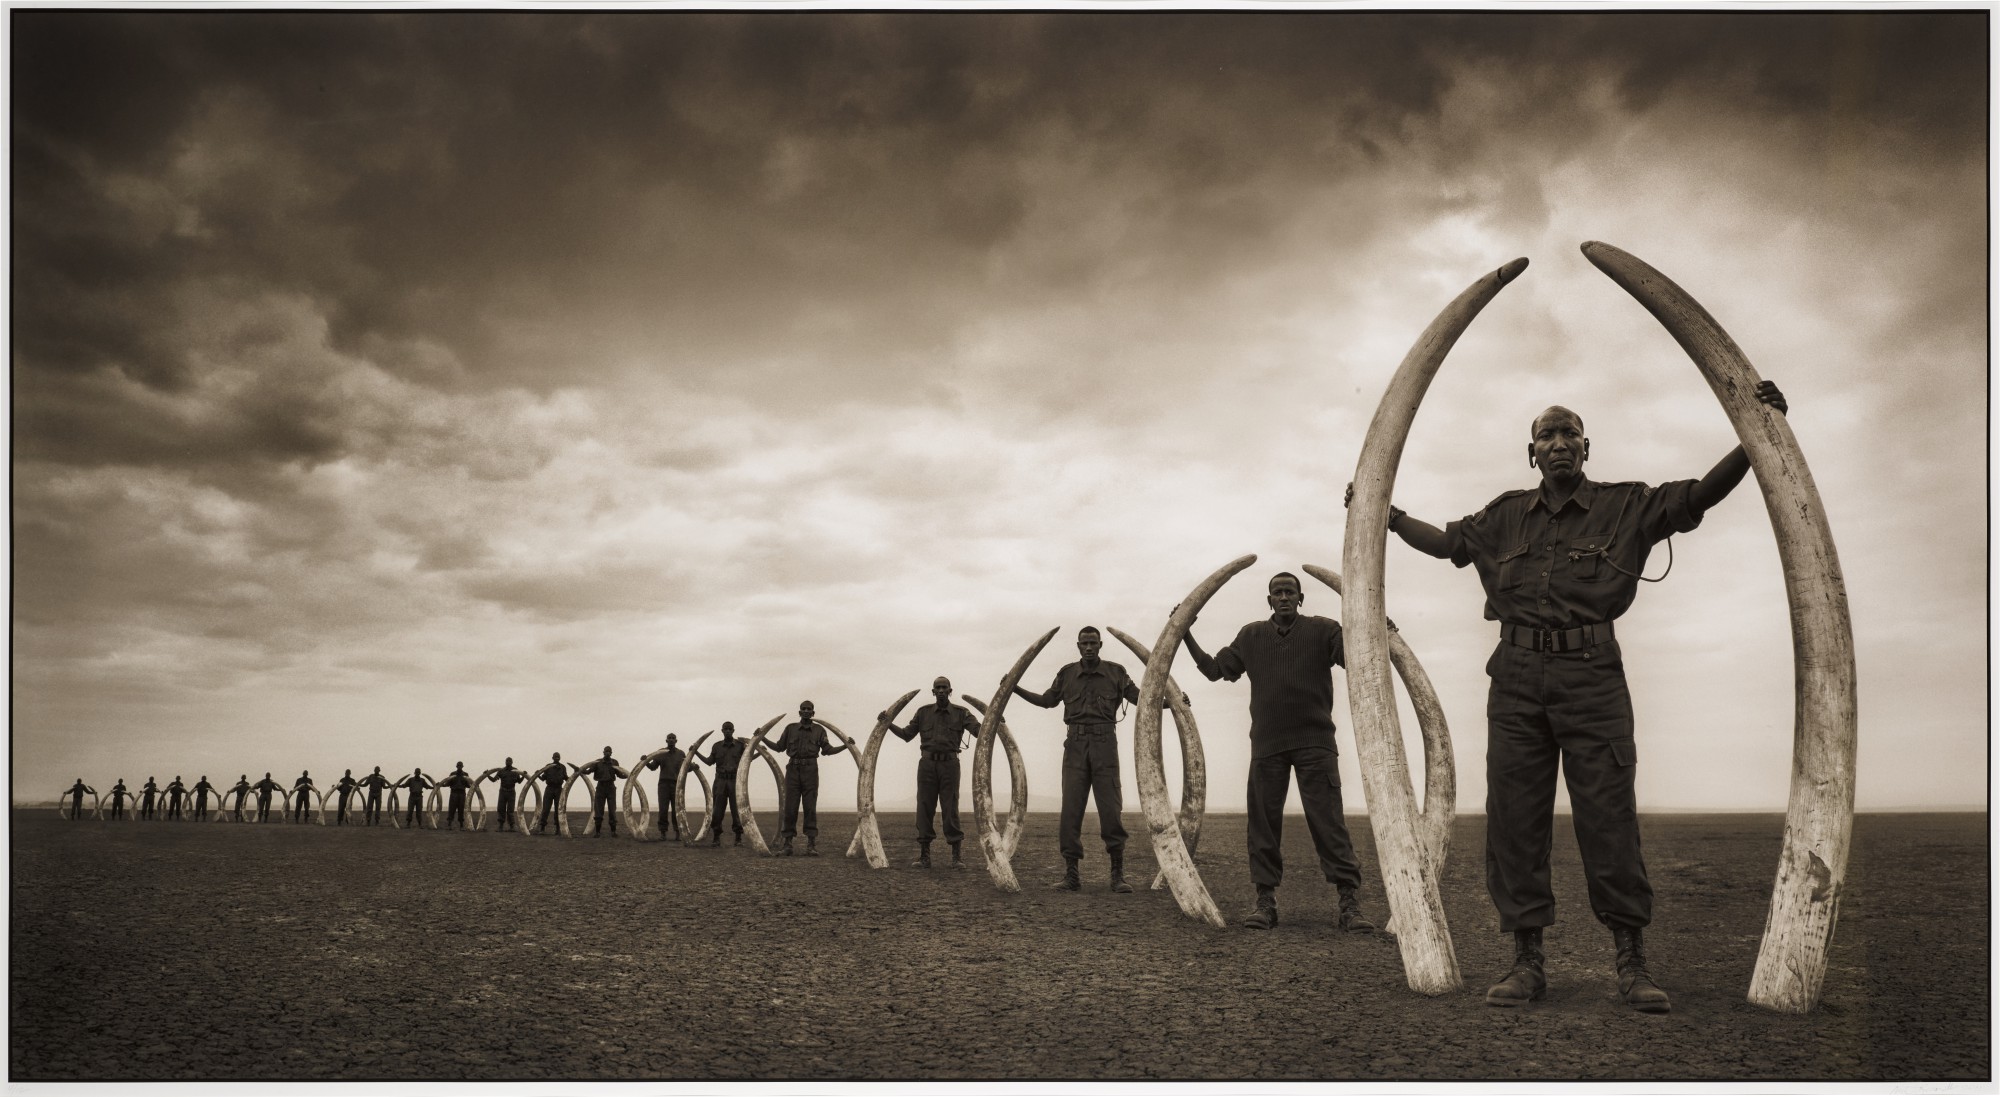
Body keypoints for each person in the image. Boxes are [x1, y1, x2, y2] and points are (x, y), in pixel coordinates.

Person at [1356, 381, 1788, 1013]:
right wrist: (1383, 513)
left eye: (1569, 434)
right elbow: (1448, 544)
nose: (1558, 444)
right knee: (1514, 820)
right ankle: (1526, 963)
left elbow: (1697, 496)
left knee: (1608, 815)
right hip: (1516, 680)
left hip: (1593, 678)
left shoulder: (1627, 507)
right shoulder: (1502, 517)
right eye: (1546, 435)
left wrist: (1755, 435)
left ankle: (1631, 962)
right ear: (1531, 452)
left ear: (1587, 447)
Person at [1182, 573, 1381, 934]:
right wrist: (1184, 633)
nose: (1284, 597)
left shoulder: (1324, 630)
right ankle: (1265, 903)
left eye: (1290, 592)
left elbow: (1357, 658)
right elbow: (1216, 670)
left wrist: (1377, 629)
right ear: (1269, 599)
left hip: (1315, 743)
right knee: (1262, 824)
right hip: (1267, 746)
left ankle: (1349, 904)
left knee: (1329, 822)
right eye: (1278, 592)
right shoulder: (1251, 635)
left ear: (1301, 598)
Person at [1011, 626, 1141, 893]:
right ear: (1078, 645)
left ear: (1101, 644)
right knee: (1071, 809)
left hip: (1105, 745)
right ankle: (1071, 875)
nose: (1089, 647)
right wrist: (1015, 688)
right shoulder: (1067, 673)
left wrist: (1173, 701)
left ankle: (1117, 875)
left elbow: (1142, 698)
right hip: (1075, 746)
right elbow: (1048, 700)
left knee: (1111, 809)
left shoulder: (1116, 672)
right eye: (1085, 643)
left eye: (1093, 643)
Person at [883, 677, 980, 869]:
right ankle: (924, 857)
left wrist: (995, 721)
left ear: (950, 690)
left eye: (944, 688)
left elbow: (980, 732)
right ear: (933, 691)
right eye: (938, 688)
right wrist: (887, 723)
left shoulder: (962, 713)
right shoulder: (923, 713)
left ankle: (956, 857)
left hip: (950, 766)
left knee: (950, 807)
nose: (941, 691)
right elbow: (906, 735)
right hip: (926, 766)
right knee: (924, 808)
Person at [769, 701, 842, 856]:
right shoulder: (790, 728)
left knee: (810, 807)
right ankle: (787, 845)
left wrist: (845, 746)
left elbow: (827, 750)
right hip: (793, 770)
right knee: (790, 807)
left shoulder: (819, 730)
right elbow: (779, 747)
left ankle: (811, 845)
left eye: (809, 709)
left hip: (810, 770)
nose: (806, 711)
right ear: (799, 712)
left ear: (813, 713)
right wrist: (761, 738)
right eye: (804, 709)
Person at [695, 723, 747, 846]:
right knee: (718, 810)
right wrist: (695, 752)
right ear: (722, 731)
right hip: (720, 782)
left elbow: (747, 759)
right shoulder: (717, 746)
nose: (728, 731)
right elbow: (709, 762)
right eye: (726, 729)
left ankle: (738, 838)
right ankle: (716, 837)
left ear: (733, 730)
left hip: (735, 782)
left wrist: (760, 752)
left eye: (730, 729)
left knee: (737, 810)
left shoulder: (740, 746)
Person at [642, 736, 687, 840]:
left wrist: (693, 767)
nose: (671, 740)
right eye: (669, 738)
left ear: (676, 741)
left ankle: (678, 833)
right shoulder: (660, 753)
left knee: (677, 809)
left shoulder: (681, 754)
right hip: (663, 784)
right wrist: (646, 762)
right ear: (666, 740)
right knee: (663, 809)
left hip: (676, 784)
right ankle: (663, 833)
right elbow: (653, 767)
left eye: (673, 738)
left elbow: (685, 769)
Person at [579, 748, 627, 837]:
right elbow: (588, 771)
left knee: (612, 810)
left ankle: (613, 831)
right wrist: (580, 770)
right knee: (598, 810)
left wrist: (629, 775)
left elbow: (620, 774)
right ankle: (597, 832)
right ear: (603, 752)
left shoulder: (615, 762)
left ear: (611, 753)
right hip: (600, 787)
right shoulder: (597, 762)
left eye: (609, 751)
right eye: (606, 751)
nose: (607, 753)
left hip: (611, 787)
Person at [481, 758, 528, 832]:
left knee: (510, 809)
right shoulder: (501, 771)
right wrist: (487, 775)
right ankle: (500, 826)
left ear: (512, 762)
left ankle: (512, 826)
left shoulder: (515, 771)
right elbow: (494, 780)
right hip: (502, 792)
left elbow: (519, 781)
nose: (508, 762)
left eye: (509, 761)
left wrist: (523, 776)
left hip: (511, 792)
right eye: (507, 761)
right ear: (505, 762)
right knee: (501, 808)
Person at [531, 754, 574, 835]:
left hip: (559, 789)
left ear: (560, 758)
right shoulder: (548, 766)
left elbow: (566, 778)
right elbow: (543, 778)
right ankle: (542, 828)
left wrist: (575, 774)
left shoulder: (562, 767)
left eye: (558, 757)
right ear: (552, 758)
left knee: (558, 809)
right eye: (555, 757)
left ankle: (558, 829)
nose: (556, 758)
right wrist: (538, 774)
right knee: (546, 809)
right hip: (549, 789)